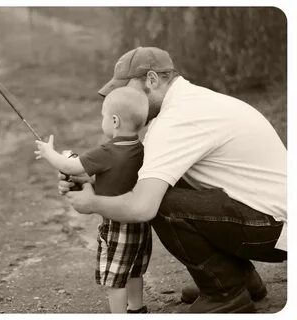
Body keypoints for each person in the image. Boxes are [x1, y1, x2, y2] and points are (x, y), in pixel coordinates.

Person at [58, 47, 287, 313]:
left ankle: (224, 292)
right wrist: (91, 177)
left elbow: (142, 207)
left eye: (126, 89)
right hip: (272, 221)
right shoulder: (193, 101)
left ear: (152, 80)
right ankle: (240, 279)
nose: (120, 99)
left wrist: (93, 202)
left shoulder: (175, 120)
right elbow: (138, 173)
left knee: (160, 202)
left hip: (273, 229)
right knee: (157, 184)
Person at [35, 87, 152, 313]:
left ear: (115, 121)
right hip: (139, 222)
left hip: (116, 225)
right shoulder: (140, 149)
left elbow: (69, 165)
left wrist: (49, 153)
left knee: (115, 278)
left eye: (103, 117)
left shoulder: (106, 152)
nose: (102, 121)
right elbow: (116, 178)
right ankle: (137, 308)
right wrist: (87, 180)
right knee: (135, 269)